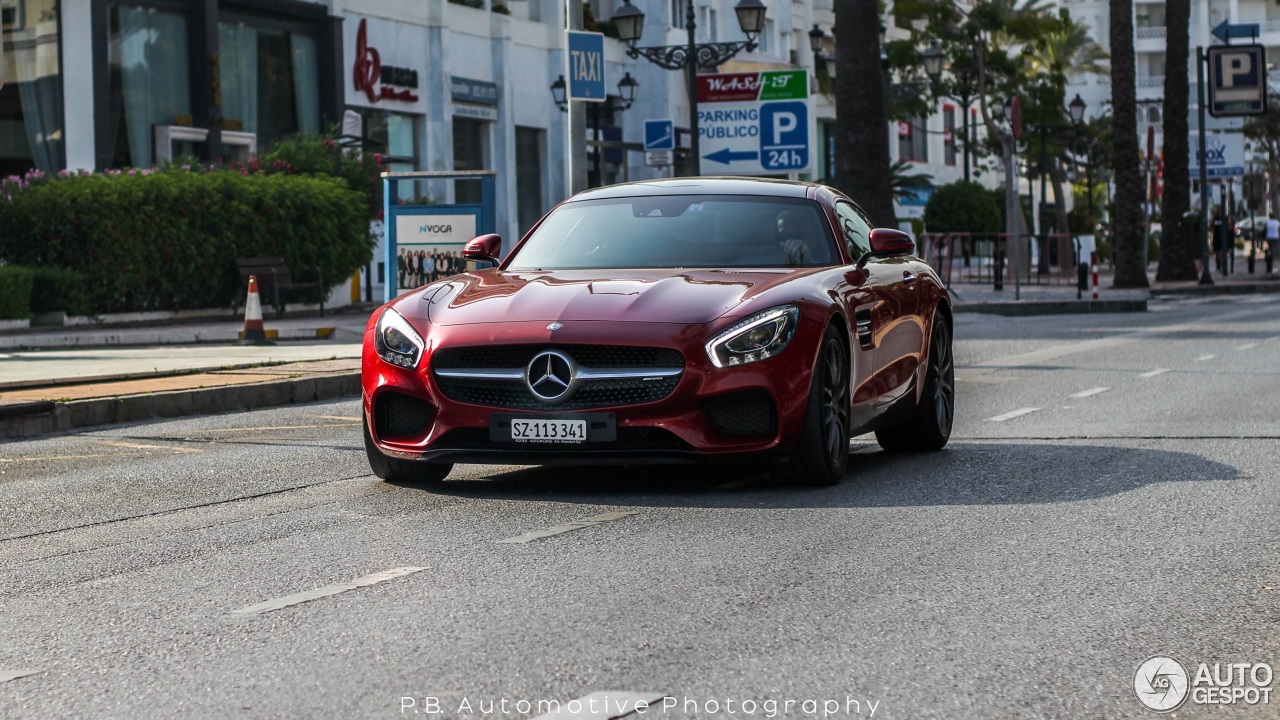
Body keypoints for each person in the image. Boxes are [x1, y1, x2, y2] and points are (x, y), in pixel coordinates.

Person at [1211, 206, 1229, 276]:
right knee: (1217, 253)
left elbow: (1229, 226)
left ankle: (1221, 266)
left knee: (1221, 252)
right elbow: (1211, 226)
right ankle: (1218, 266)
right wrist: (1214, 231)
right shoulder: (1215, 218)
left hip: (1222, 237)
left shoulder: (1225, 218)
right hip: (1216, 237)